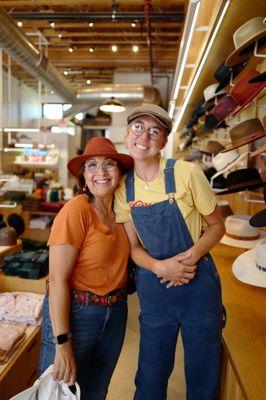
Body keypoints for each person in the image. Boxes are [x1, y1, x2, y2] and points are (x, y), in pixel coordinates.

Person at [114, 104, 226, 400]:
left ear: (163, 142)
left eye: (155, 131)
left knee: (203, 376)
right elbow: (133, 248)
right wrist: (161, 267)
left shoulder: (188, 173)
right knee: (150, 376)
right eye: (138, 127)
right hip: (155, 287)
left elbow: (217, 226)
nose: (145, 136)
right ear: (127, 135)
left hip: (198, 284)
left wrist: (187, 261)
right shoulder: (123, 190)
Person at [39, 137, 134, 400]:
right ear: (83, 175)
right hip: (78, 314)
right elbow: (57, 280)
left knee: (96, 391)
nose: (100, 172)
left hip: (115, 312)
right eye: (91, 165)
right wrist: (62, 343)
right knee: (58, 393)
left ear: (120, 172)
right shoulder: (76, 210)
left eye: (109, 164)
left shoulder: (122, 211)